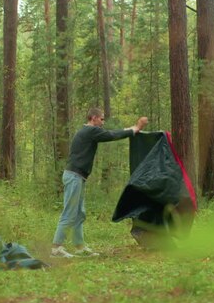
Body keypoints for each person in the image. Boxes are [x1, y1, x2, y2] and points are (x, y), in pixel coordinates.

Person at [51, 108, 148, 258]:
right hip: (73, 176)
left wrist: (132, 129)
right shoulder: (90, 131)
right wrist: (135, 129)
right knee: (70, 212)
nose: (103, 122)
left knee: (79, 214)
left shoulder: (89, 131)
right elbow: (111, 135)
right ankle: (56, 248)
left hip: (77, 176)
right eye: (102, 119)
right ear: (94, 118)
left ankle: (79, 247)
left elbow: (110, 133)